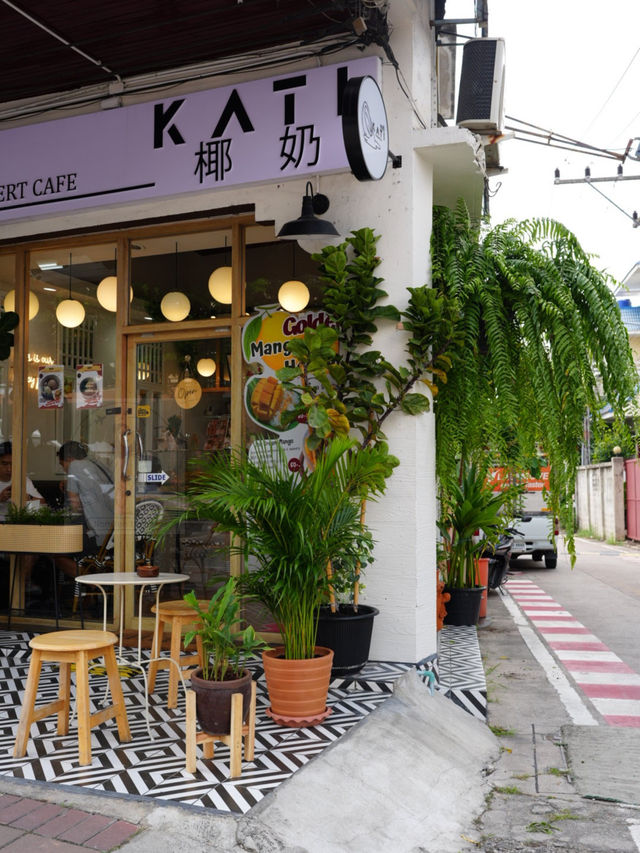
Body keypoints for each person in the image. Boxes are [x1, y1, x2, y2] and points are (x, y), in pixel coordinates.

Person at [57, 441, 114, 553]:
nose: (63, 469)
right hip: (113, 533)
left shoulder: (75, 465)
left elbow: (74, 505)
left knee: (56, 551)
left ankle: (82, 566)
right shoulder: (97, 464)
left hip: (99, 537)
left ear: (69, 459)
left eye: (62, 464)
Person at [0, 440, 44, 520]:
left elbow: (43, 503)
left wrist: (28, 498)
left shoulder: (23, 480)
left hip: (18, 523)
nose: (9, 469)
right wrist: (1, 498)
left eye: (13, 464)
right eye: (4, 464)